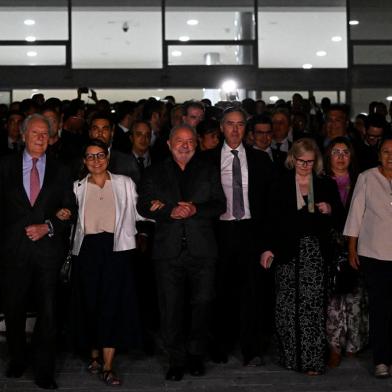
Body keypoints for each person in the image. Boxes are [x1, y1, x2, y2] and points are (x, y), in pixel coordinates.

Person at [137, 124, 226, 381]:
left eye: (190, 141)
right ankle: (175, 360)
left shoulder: (208, 171)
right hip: (168, 251)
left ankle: (196, 355)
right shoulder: (154, 171)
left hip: (203, 250)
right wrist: (169, 211)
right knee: (170, 308)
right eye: (179, 141)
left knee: (203, 304)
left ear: (196, 144)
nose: (185, 145)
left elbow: (220, 205)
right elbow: (143, 205)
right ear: (168, 143)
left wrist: (195, 209)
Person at [0, 113, 76, 390]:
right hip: (12, 252)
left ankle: (45, 370)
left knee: (48, 312)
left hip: (47, 252)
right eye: (35, 133)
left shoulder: (62, 169)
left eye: (46, 133)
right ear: (23, 135)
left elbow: (70, 209)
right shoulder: (4, 166)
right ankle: (18, 359)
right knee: (14, 309)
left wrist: (49, 226)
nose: (41, 138)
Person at [261, 138, 342, 375]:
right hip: (286, 252)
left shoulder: (325, 183)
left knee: (313, 308)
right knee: (286, 307)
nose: (306, 166)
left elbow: (340, 216)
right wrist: (267, 248)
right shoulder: (279, 184)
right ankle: (290, 358)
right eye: (301, 161)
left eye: (310, 161)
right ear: (292, 159)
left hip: (315, 254)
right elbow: (269, 221)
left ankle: (312, 360)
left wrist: (330, 209)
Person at [69, 139, 145, 386]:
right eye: (90, 156)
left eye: (100, 155)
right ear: (84, 161)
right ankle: (94, 355)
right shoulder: (76, 187)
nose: (96, 160)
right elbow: (70, 220)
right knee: (90, 303)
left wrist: (160, 210)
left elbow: (138, 211)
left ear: (108, 157)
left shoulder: (124, 183)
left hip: (116, 250)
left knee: (113, 304)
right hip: (87, 251)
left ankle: (108, 365)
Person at [207, 107, 275, 366]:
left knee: (252, 292)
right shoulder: (207, 160)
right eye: (230, 124)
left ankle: (252, 349)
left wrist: (267, 242)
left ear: (245, 128)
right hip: (220, 231)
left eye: (240, 125)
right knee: (220, 290)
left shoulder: (260, 160)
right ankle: (220, 346)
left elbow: (270, 205)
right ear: (222, 127)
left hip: (250, 231)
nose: (235, 130)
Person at [344, 138, 392, 378]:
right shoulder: (366, 177)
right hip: (373, 253)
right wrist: (352, 248)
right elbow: (355, 213)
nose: (390, 156)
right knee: (379, 308)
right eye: (385, 152)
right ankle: (381, 360)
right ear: (378, 154)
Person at [324, 137, 368, 368]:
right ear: (328, 155)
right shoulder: (320, 180)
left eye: (345, 152)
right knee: (333, 301)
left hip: (358, 245)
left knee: (356, 298)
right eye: (336, 152)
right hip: (330, 247)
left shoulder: (362, 180)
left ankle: (354, 344)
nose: (341, 157)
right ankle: (334, 346)